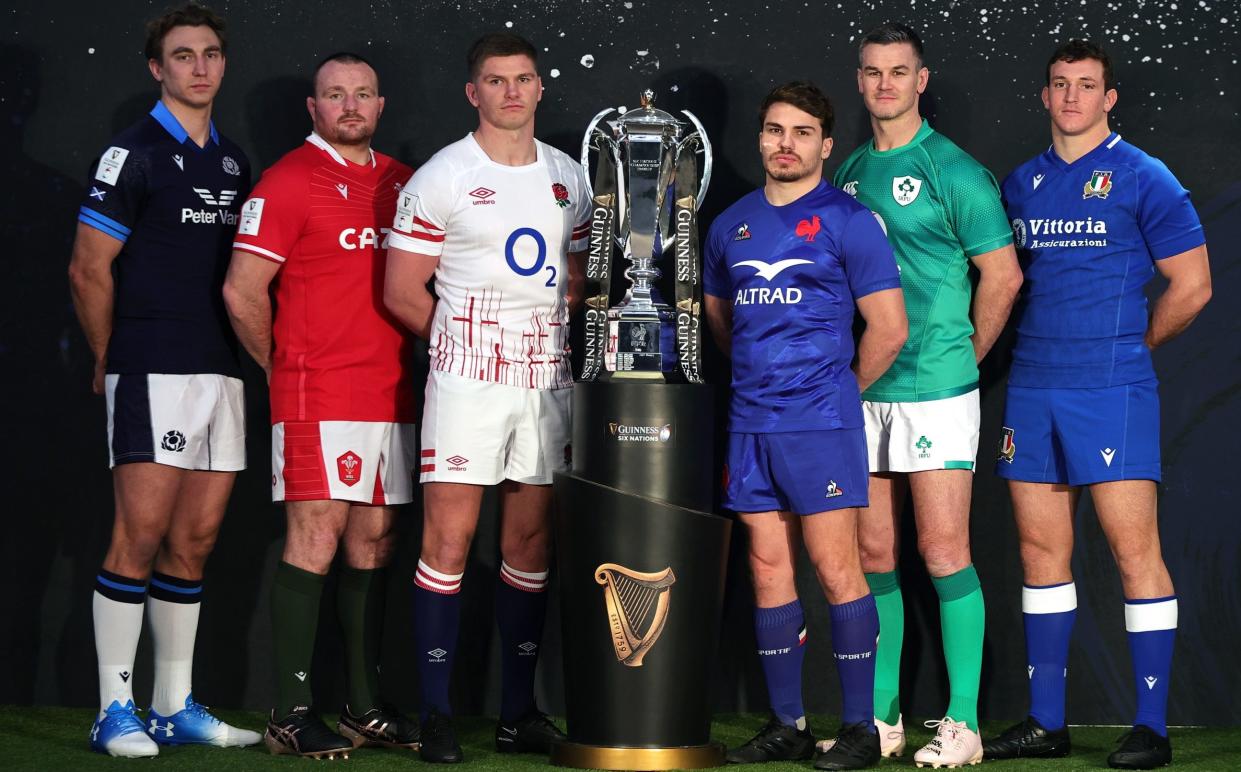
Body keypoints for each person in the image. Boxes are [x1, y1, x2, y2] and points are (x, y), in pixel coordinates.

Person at [983, 40, 1211, 770]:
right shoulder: (1019, 185)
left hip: (1109, 386)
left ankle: (1150, 726)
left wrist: (1135, 345)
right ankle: (1046, 723)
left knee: (1131, 552)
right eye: (1060, 85)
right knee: (1040, 551)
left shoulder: (1144, 176)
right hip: (1031, 387)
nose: (1072, 98)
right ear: (1044, 96)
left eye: (1086, 86)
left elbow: (1193, 284)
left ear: (1108, 98)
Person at [383, 32, 590, 764]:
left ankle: (517, 713)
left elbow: (577, 278)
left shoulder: (570, 177)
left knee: (529, 544)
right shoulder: (441, 176)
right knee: (447, 541)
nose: (511, 92)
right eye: (496, 81)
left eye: (524, 79)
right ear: (473, 91)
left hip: (546, 380)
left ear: (539, 88)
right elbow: (402, 291)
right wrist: (466, 345)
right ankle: (436, 713)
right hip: (467, 380)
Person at [67, 2, 260, 757]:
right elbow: (88, 268)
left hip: (222, 371)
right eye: (183, 55)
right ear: (157, 68)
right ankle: (113, 708)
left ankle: (172, 704)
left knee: (196, 541)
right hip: (150, 366)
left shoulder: (235, 161)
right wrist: (109, 356)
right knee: (139, 536)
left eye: (211, 54)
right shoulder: (133, 153)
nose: (200, 67)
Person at [831, 21, 1024, 766]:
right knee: (875, 550)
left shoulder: (955, 171)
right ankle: (882, 718)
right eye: (872, 71)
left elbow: (1002, 276)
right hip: (864, 386)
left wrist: (961, 361)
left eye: (898, 71)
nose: (885, 83)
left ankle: (964, 724)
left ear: (920, 80)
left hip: (936, 389)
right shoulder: (846, 171)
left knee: (942, 549)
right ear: (860, 81)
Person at [704, 80, 907, 771]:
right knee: (766, 569)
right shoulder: (729, 224)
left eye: (798, 132)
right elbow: (721, 318)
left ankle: (859, 730)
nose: (782, 143)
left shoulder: (850, 221)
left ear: (825, 144)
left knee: (835, 569)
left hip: (820, 424)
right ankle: (787, 724)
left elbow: (889, 328)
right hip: (749, 423)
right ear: (758, 138)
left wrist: (836, 393)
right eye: (771, 130)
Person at [223, 52, 419, 760]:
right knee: (315, 540)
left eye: (362, 94)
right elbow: (241, 291)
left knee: (375, 543)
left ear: (380, 104)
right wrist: (286, 370)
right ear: (313, 108)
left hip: (391, 394)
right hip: (318, 394)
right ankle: (289, 710)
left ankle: (362, 708)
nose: (349, 107)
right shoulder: (287, 181)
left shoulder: (404, 183)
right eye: (334, 96)